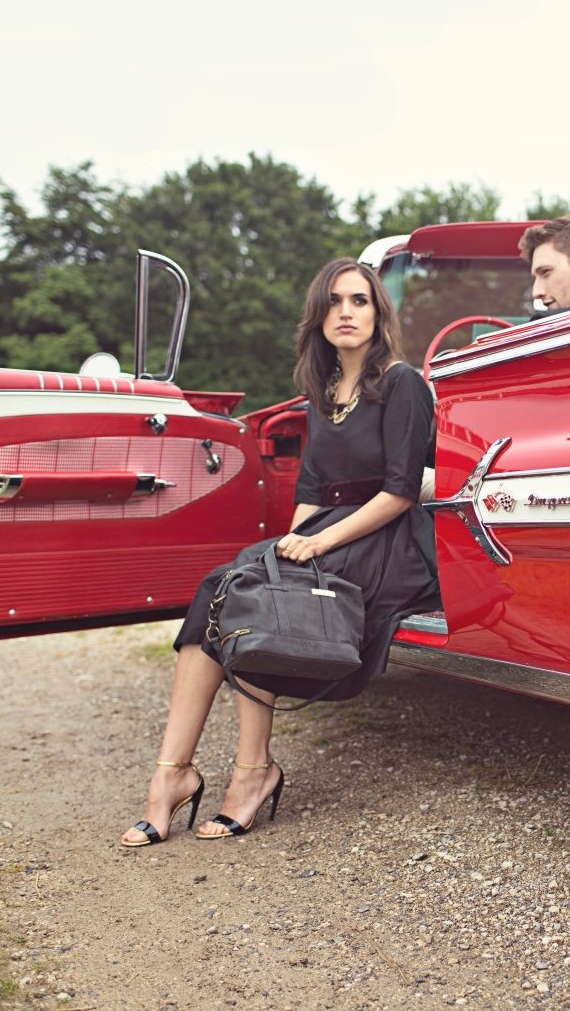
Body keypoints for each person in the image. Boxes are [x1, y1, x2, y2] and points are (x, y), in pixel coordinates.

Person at [121, 257, 440, 846]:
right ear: (318, 317)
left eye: (360, 300)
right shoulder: (321, 392)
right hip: (333, 530)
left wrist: (314, 544)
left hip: (393, 542)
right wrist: (286, 552)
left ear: (378, 313)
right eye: (335, 302)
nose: (347, 312)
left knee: (248, 590)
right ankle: (172, 775)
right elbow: (312, 491)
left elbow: (399, 491)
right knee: (234, 587)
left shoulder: (402, 383)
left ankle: (250, 774)